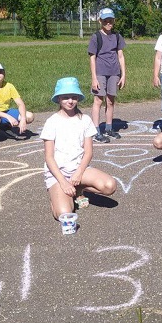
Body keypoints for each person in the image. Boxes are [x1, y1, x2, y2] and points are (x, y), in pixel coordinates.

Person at [40, 77, 117, 223]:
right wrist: (63, 182)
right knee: (64, 213)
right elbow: (49, 157)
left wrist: (78, 173)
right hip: (58, 173)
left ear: (78, 98)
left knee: (109, 186)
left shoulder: (85, 120)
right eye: (65, 97)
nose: (70, 101)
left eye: (74, 97)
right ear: (58, 99)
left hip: (78, 170)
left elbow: (88, 152)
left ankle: (79, 189)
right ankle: (57, 196)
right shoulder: (52, 122)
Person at [88, 7, 126, 144]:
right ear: (100, 21)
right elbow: (92, 58)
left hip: (114, 72)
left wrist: (123, 75)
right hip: (100, 72)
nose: (108, 23)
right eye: (105, 21)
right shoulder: (96, 37)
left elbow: (120, 56)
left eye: (110, 20)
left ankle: (109, 128)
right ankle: (96, 130)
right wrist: (94, 78)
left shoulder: (117, 36)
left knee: (110, 101)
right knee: (98, 100)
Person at [0, 62, 34, 142]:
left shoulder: (9, 86)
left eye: (0, 72)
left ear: (4, 74)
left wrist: (23, 119)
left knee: (29, 116)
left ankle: (5, 127)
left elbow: (20, 103)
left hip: (5, 111)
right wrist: (8, 117)